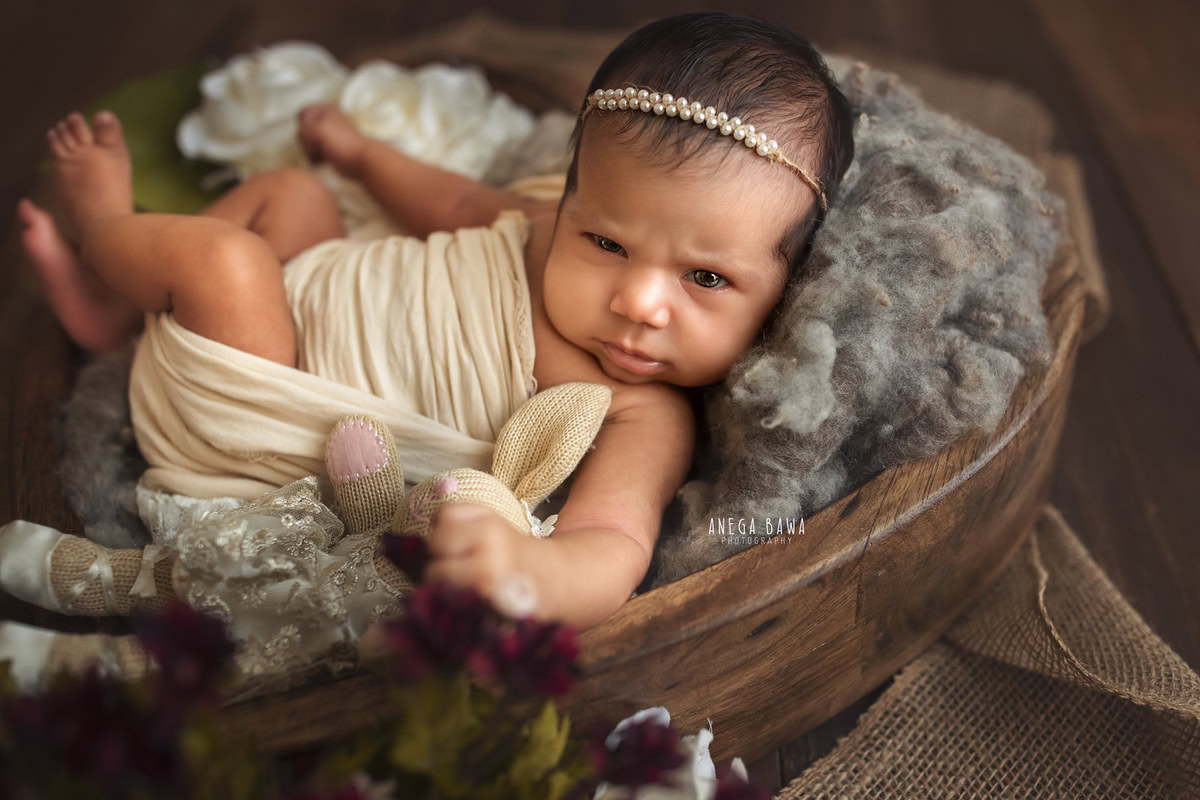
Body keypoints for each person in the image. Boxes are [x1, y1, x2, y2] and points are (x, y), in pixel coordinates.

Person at [13, 12, 855, 631]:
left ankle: (107, 231)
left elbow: (612, 540)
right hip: (301, 292)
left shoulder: (646, 413)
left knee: (224, 264)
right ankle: (114, 309)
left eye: (706, 277)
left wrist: (528, 569)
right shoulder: (541, 222)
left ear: (781, 296)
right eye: (606, 241)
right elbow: (450, 203)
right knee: (295, 194)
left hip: (257, 398)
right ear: (573, 199)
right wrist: (361, 157)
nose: (638, 301)